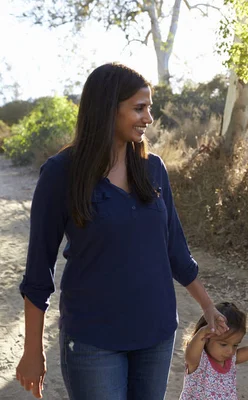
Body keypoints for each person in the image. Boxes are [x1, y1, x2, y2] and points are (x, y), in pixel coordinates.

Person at [15, 63, 228, 400]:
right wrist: (32, 350)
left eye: (150, 108)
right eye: (139, 108)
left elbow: (174, 248)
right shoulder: (61, 174)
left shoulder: (153, 168)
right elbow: (38, 271)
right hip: (92, 338)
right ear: (107, 108)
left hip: (156, 334)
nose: (149, 118)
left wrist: (208, 307)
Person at [180, 302, 248, 399]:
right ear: (206, 338)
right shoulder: (199, 362)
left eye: (235, 345)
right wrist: (203, 332)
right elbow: (190, 356)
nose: (230, 351)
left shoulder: (230, 360)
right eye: (223, 344)